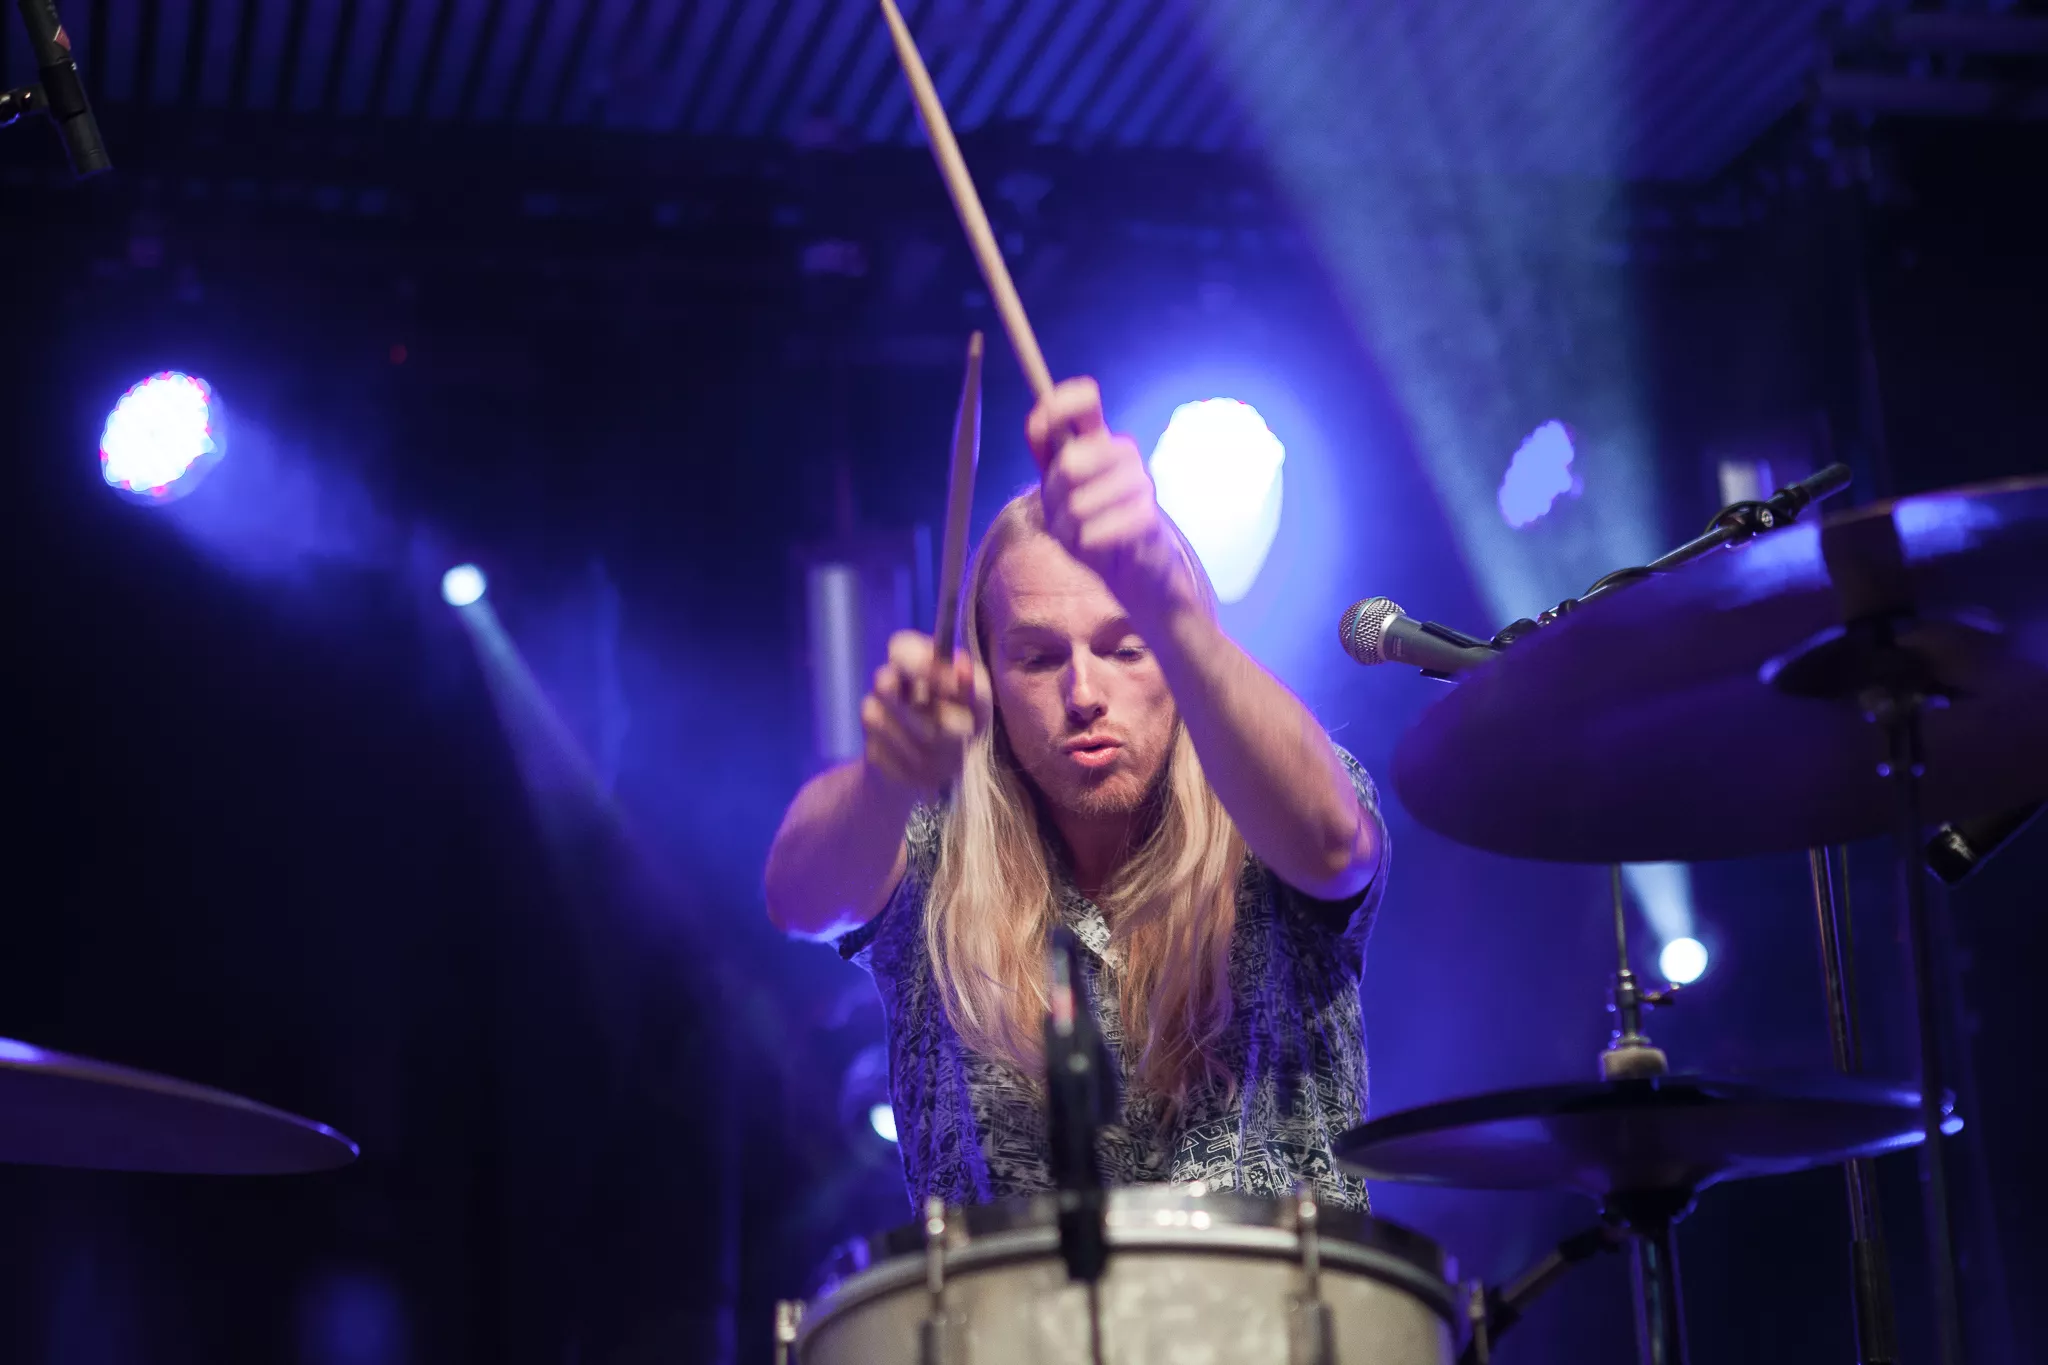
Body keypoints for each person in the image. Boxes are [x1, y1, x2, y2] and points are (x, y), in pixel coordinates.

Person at [765, 376, 1388, 1212]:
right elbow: (798, 897)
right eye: (1038, 658)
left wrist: (1164, 598)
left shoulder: (1268, 795)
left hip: (1279, 1295)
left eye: (1127, 647)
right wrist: (885, 776)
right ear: (989, 676)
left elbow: (1334, 845)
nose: (1085, 693)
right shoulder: (936, 839)